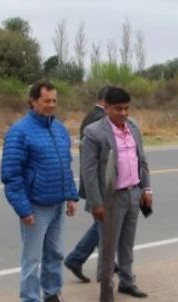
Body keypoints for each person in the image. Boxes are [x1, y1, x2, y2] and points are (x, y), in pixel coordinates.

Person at [1, 81, 80, 302]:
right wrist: (23, 208)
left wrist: (70, 196)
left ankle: (52, 298)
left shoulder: (59, 129)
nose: (51, 105)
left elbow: (65, 164)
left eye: (54, 101)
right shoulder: (19, 131)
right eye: (46, 101)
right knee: (32, 258)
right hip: (35, 205)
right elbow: (11, 174)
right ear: (33, 101)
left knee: (55, 253)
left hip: (57, 201)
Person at [81, 87, 152, 300]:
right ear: (107, 108)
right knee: (108, 246)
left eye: (126, 109)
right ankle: (106, 287)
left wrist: (146, 189)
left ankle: (127, 282)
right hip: (110, 199)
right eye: (117, 109)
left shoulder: (133, 127)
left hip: (133, 194)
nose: (123, 113)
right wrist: (96, 202)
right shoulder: (94, 132)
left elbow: (142, 160)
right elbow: (89, 171)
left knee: (127, 243)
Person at [65, 86, 110, 283]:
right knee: (105, 225)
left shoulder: (92, 115)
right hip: (98, 183)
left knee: (102, 224)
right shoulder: (98, 119)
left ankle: (82, 259)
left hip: (94, 182)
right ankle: (86, 261)